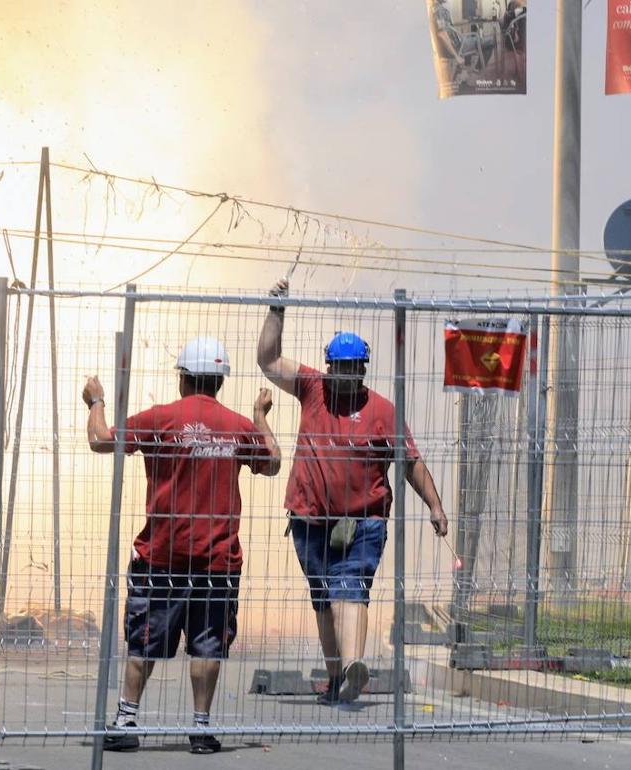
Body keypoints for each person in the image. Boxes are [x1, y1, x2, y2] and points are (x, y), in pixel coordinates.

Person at [84, 336, 281, 754]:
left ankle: (126, 720)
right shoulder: (237, 427)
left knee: (144, 639)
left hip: (162, 557)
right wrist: (260, 416)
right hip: (218, 561)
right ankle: (201, 729)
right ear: (220, 382)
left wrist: (96, 401)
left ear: (183, 380)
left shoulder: (160, 419)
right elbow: (273, 462)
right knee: (208, 643)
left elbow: (101, 440)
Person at [258, 280, 448, 705]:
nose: (345, 376)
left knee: (351, 586)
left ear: (363, 369)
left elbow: (410, 461)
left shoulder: (382, 411)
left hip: (364, 521)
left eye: (353, 369)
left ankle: (353, 665)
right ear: (328, 367)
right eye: (338, 369)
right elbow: (268, 360)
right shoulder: (311, 388)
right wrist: (277, 310)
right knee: (323, 596)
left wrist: (434, 504)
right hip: (310, 518)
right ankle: (337, 675)